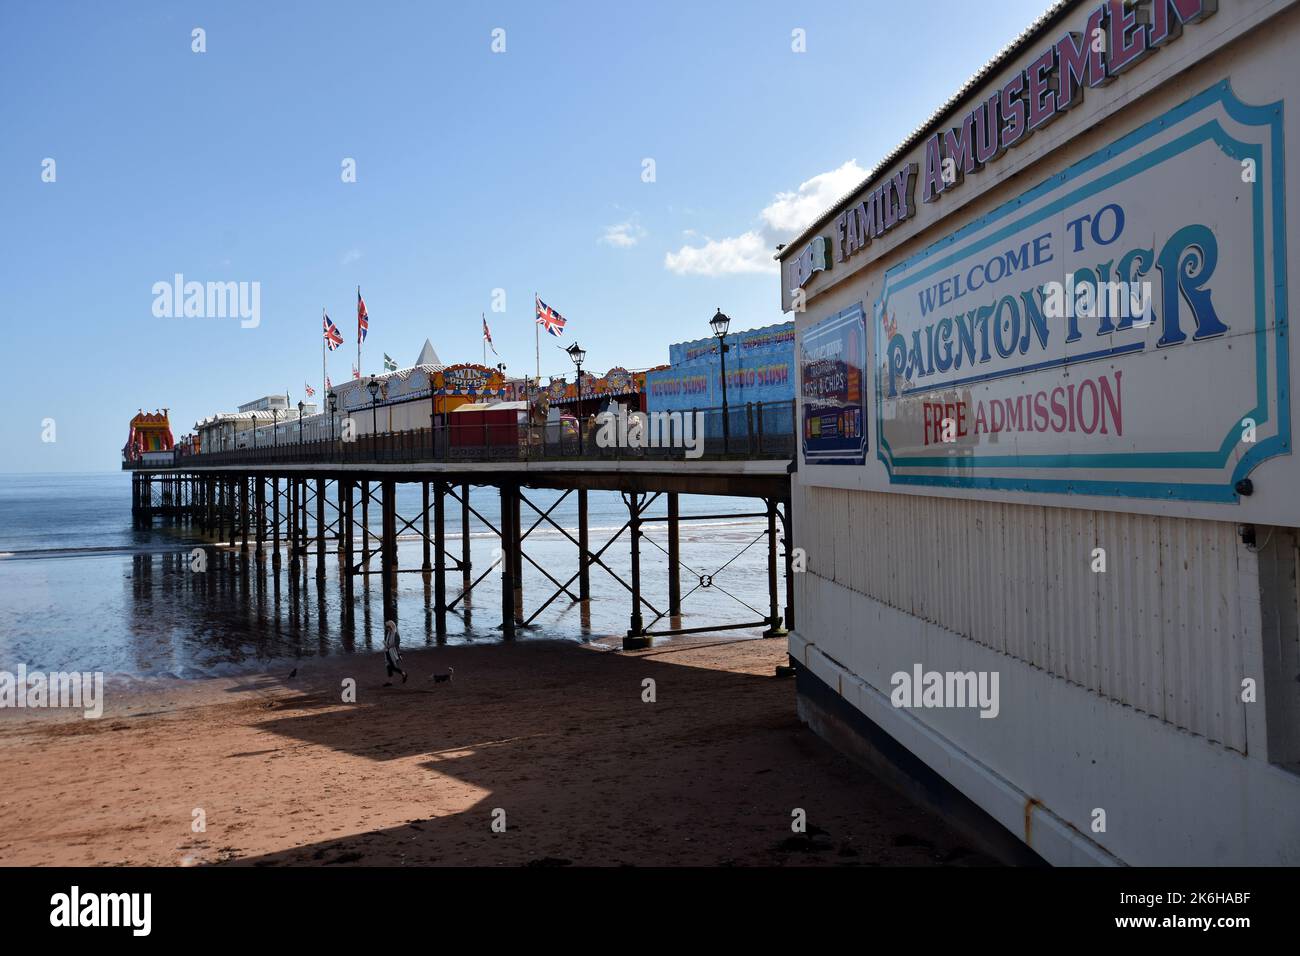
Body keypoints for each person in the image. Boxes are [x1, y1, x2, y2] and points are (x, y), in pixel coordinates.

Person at [383, 619, 407, 684]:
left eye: (388, 627)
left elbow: (397, 645)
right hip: (387, 652)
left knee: (393, 667)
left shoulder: (395, 634)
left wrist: (389, 646)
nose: (387, 628)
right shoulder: (389, 633)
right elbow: (388, 642)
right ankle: (390, 681)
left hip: (393, 653)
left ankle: (404, 674)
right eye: (387, 627)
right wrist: (386, 645)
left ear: (391, 626)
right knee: (388, 667)